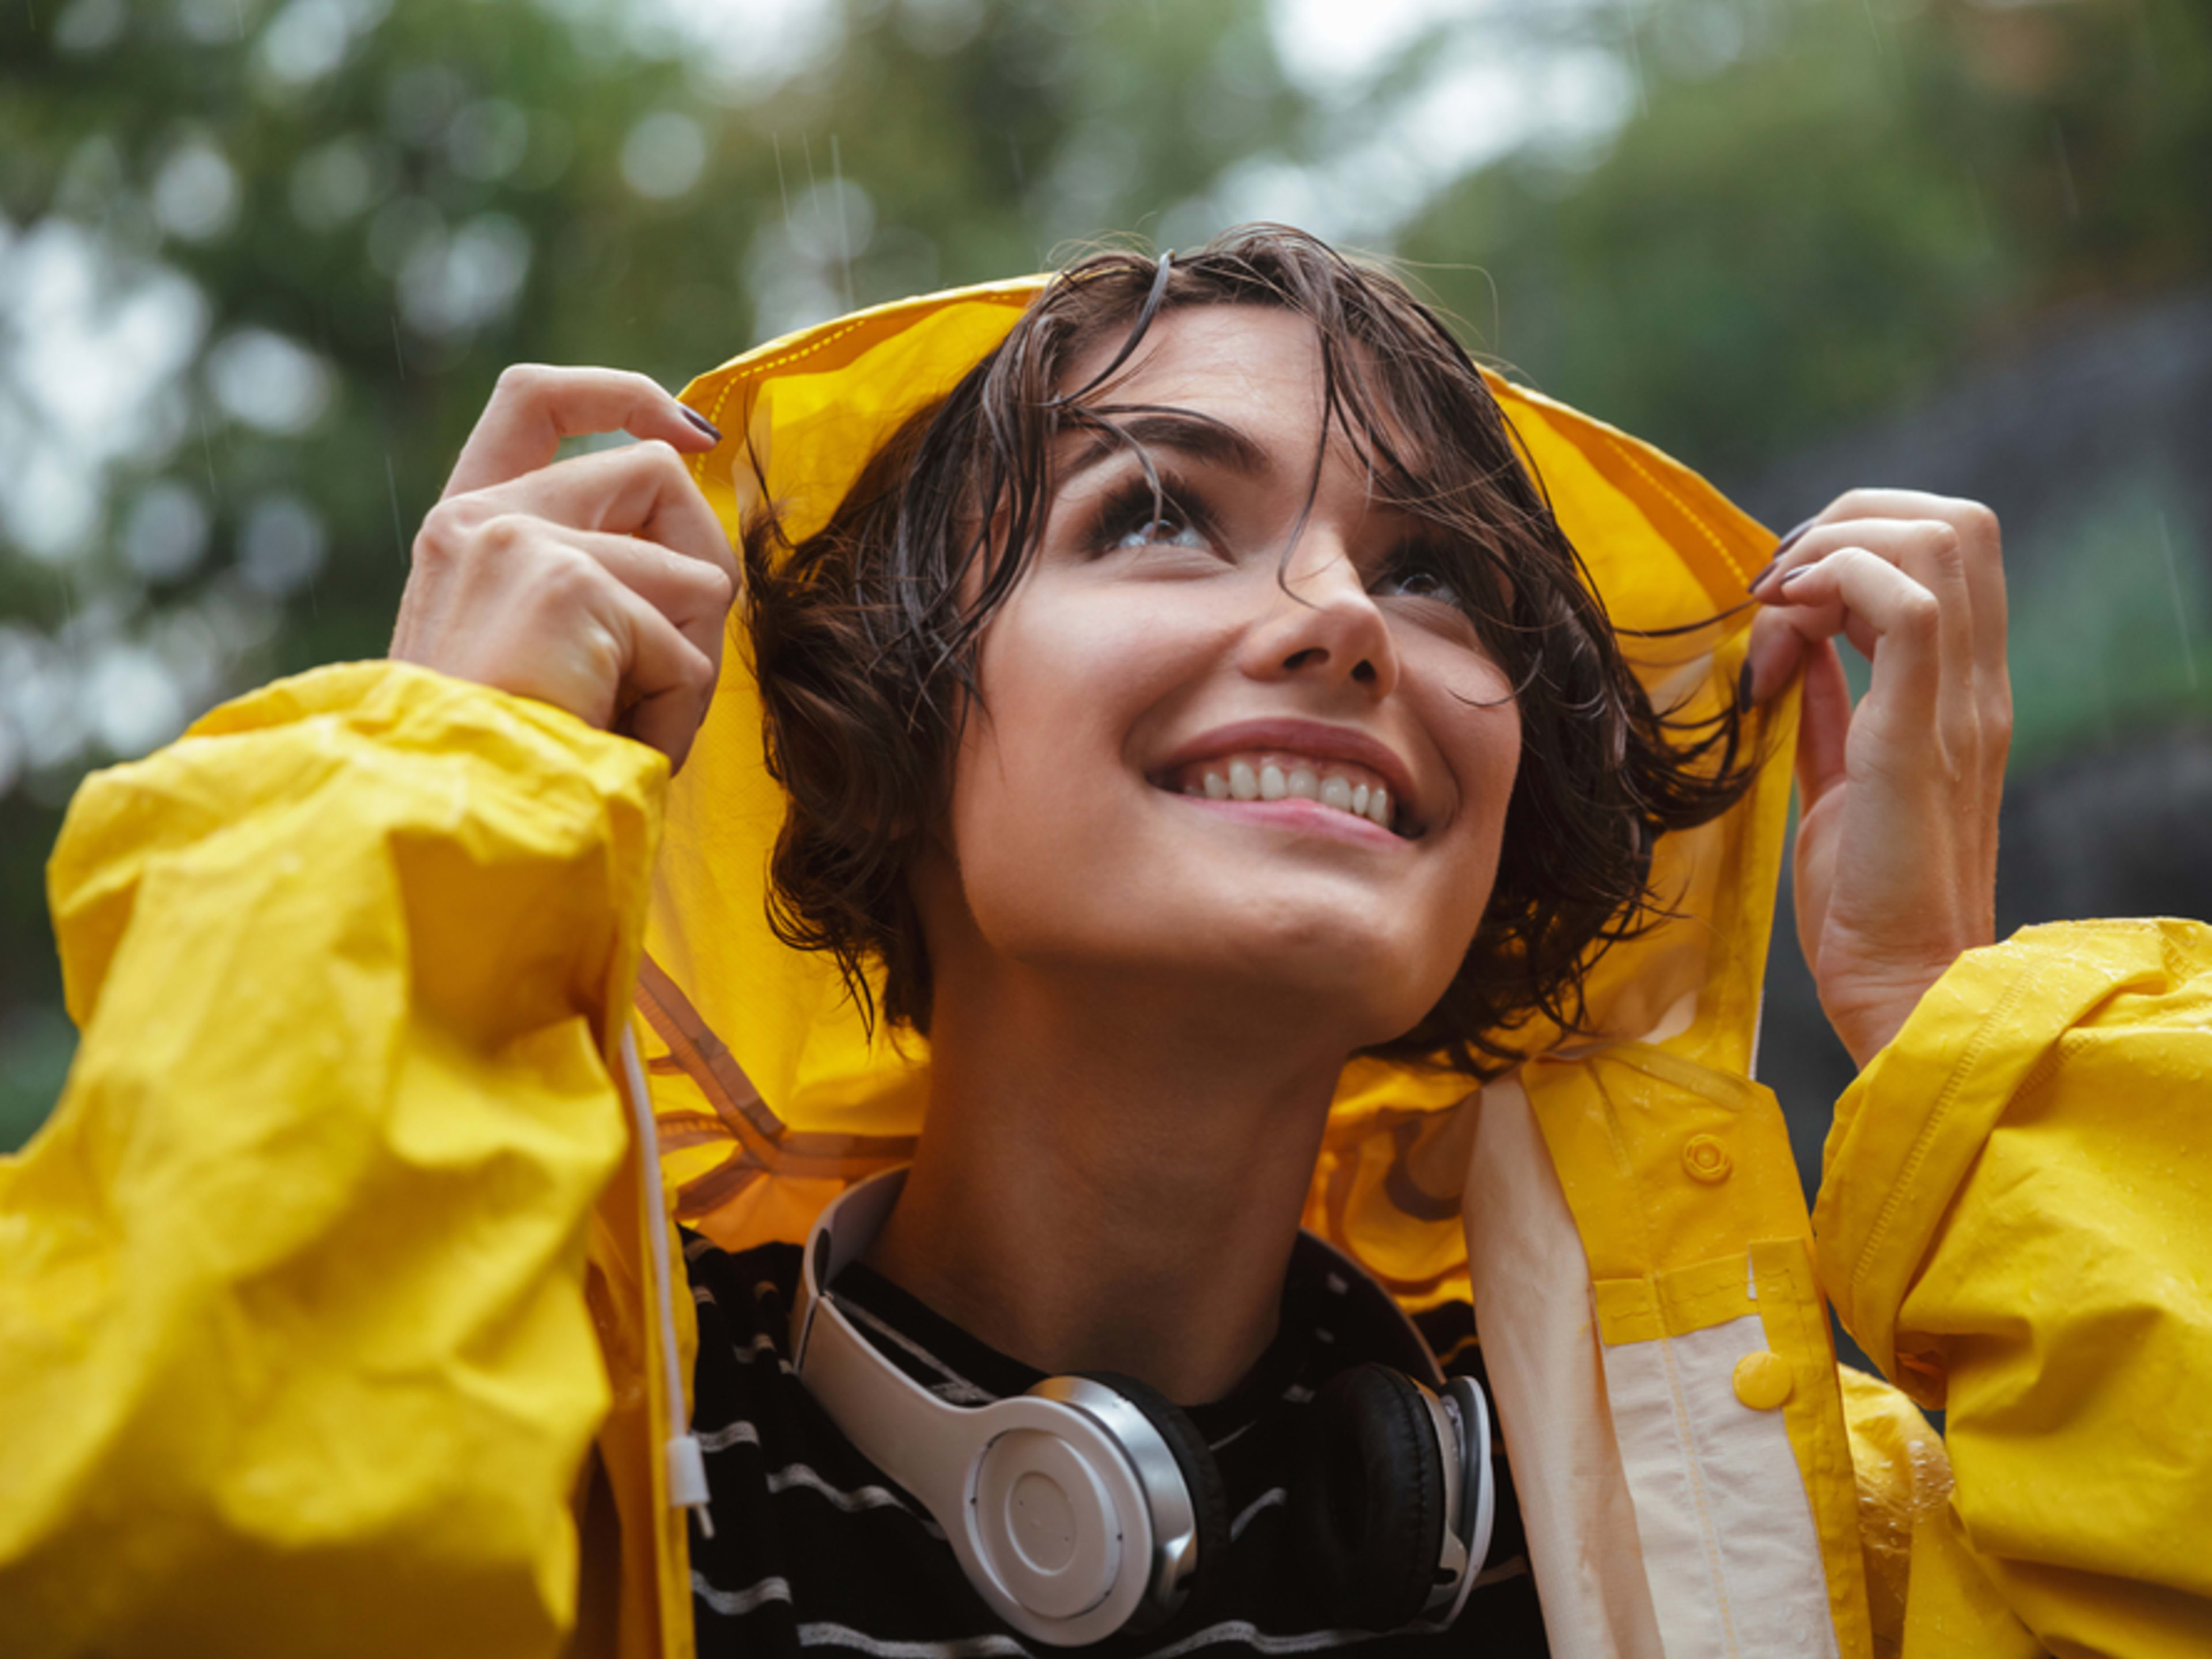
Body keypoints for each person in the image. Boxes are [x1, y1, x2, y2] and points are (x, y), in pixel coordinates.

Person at [2, 228, 2207, 1659]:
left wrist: (1942, 1011)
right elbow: (180, 1543)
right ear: (878, 717)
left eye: (1437, 576)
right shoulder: (552, 1449)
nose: (1344, 620)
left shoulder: (1793, 1538)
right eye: (1153, 513)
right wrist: (428, 801)